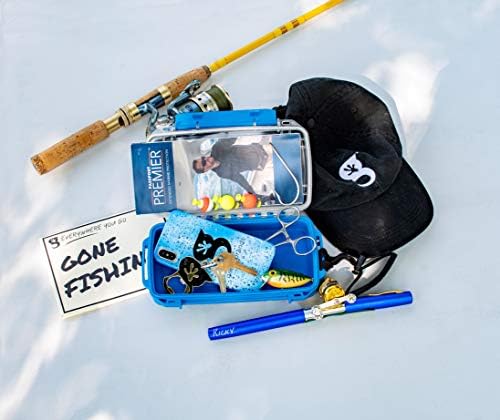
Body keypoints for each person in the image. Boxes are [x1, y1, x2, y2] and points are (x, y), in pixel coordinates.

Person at [192, 138, 269, 195]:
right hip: (264, 164)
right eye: (204, 162)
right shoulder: (222, 173)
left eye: (203, 158)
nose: (205, 159)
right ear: (205, 170)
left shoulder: (217, 148)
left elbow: (231, 137)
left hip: (262, 147)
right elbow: (239, 179)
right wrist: (252, 193)